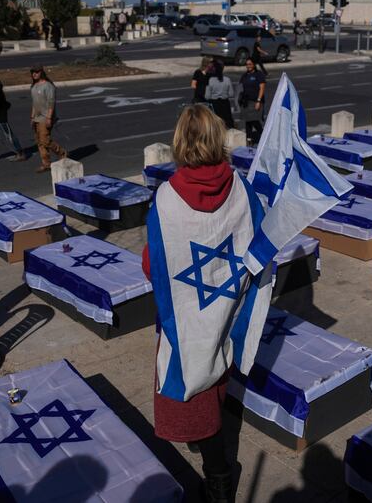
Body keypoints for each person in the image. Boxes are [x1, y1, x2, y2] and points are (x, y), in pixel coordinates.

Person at [142, 105, 269, 503]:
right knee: (216, 370)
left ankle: (219, 479)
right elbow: (258, 241)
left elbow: (153, 265)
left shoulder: (166, 199)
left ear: (180, 142)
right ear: (219, 140)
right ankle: (212, 452)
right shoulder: (242, 188)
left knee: (191, 377)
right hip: (226, 299)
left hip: (188, 306)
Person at [29, 65, 67, 173]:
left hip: (45, 117)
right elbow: (34, 103)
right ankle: (46, 164)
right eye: (33, 72)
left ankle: (62, 152)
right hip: (36, 118)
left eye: (36, 72)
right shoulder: (34, 86)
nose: (34, 74)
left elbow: (51, 103)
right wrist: (32, 117)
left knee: (45, 141)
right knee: (39, 142)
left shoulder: (48, 86)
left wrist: (49, 118)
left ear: (41, 72)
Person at [239, 58, 266, 144]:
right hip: (246, 102)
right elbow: (240, 87)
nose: (248, 66)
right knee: (248, 121)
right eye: (247, 64)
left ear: (254, 65)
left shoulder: (259, 74)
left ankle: (263, 134)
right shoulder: (244, 75)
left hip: (255, 101)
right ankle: (249, 139)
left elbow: (262, 88)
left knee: (254, 120)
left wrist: (258, 101)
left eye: (250, 64)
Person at [204, 60, 235, 129]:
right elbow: (231, 94)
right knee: (228, 123)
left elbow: (207, 96)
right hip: (225, 103)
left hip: (215, 104)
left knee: (216, 125)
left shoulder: (210, 80)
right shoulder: (227, 79)